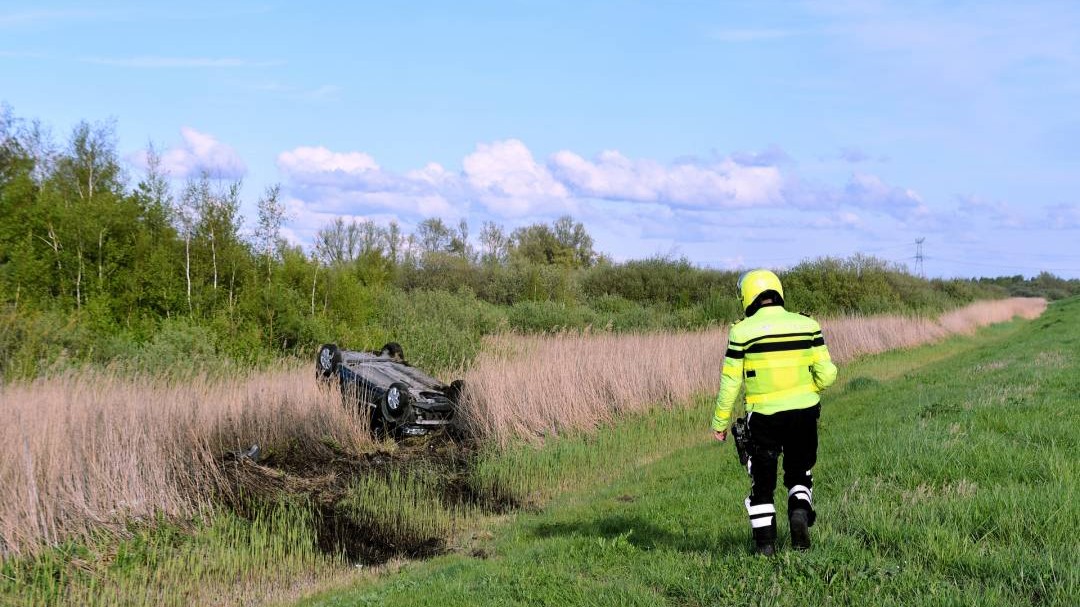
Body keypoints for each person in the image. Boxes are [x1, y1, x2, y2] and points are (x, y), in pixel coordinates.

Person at [712, 269, 838, 555]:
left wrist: (719, 423)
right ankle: (799, 515)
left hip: (763, 417)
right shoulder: (808, 325)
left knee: (763, 482)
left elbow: (730, 384)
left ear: (748, 296)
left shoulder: (741, 331)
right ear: (777, 291)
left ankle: (765, 547)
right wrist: (810, 384)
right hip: (804, 413)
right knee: (800, 473)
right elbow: (828, 375)